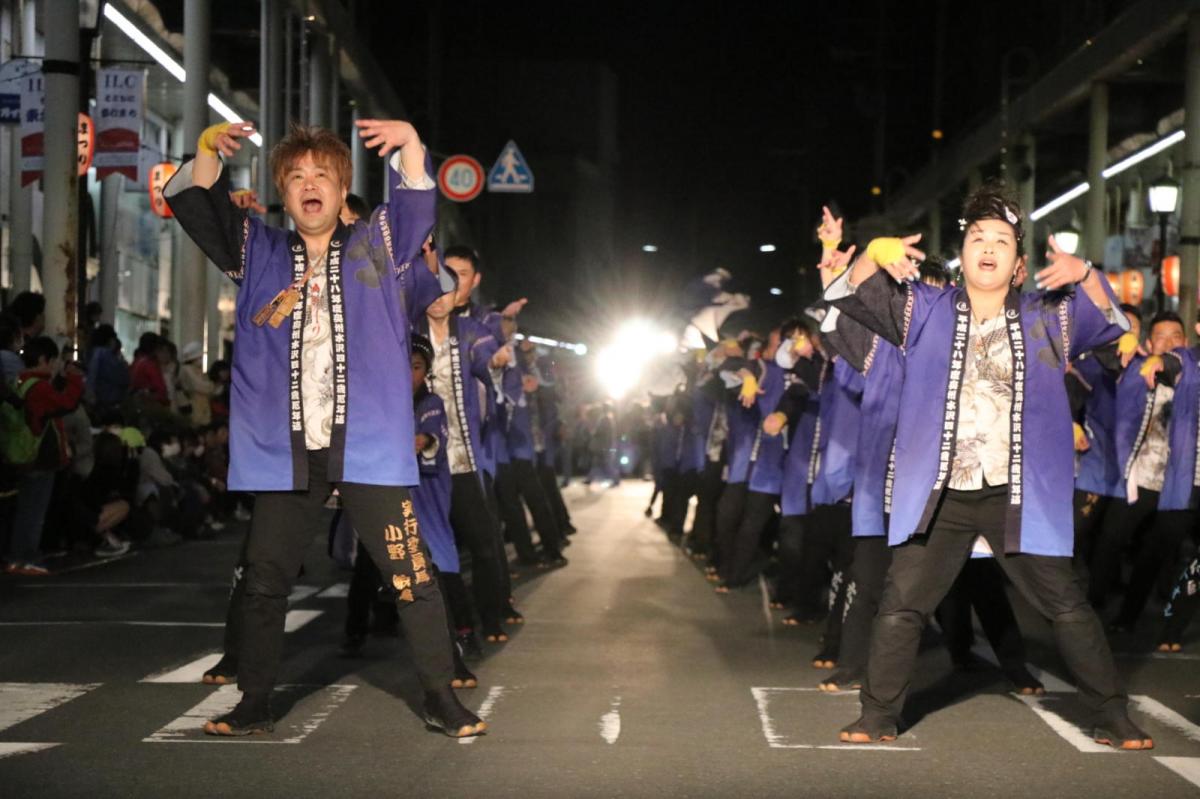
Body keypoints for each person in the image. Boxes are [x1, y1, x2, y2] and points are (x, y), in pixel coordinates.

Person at [164, 117, 483, 737]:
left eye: (322, 175)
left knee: (411, 574)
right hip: (286, 453)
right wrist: (205, 150)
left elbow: (415, 209)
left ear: (341, 190)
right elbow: (201, 207)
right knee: (264, 581)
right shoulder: (257, 251)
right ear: (283, 193)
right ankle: (254, 702)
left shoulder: (377, 244)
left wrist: (412, 144)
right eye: (296, 176)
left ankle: (441, 698)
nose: (309, 184)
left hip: (366, 446)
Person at [825, 183, 1151, 749]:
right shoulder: (922, 310)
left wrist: (1086, 273)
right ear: (962, 254)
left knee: (1067, 605)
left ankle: (1113, 715)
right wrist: (872, 253)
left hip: (1016, 492)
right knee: (901, 605)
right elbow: (847, 297)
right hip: (942, 493)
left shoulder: (1049, 316)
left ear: (1020, 263)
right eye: (978, 237)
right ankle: (876, 715)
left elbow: (1112, 322)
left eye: (1002, 240)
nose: (989, 247)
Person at [4, 337, 84, 575]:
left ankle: (17, 557)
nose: (56, 365)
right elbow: (66, 404)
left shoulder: (19, 382)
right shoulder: (39, 388)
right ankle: (26, 557)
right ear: (43, 360)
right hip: (40, 457)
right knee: (34, 510)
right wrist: (74, 379)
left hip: (23, 452)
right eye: (53, 360)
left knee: (25, 508)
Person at [177, 341, 217, 426]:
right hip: (193, 404)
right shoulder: (186, 369)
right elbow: (200, 386)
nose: (201, 360)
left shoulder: (198, 370)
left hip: (203, 404)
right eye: (199, 357)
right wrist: (210, 385)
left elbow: (209, 387)